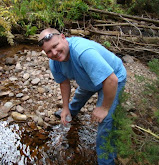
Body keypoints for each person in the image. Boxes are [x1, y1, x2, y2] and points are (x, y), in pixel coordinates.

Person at [38, 28, 127, 165]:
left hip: (113, 78)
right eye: (49, 51)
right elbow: (64, 83)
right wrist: (65, 108)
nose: (54, 53)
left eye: (55, 46)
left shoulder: (83, 52)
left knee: (106, 122)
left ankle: (106, 161)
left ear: (63, 37)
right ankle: (71, 112)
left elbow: (111, 80)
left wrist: (104, 108)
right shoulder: (54, 62)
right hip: (87, 79)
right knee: (78, 98)